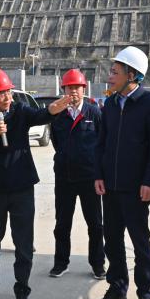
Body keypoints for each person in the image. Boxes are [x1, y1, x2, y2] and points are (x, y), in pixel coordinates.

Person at [0, 67, 70, 299]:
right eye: (2, 93)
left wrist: (52, 110)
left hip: (21, 187)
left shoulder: (20, 111)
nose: (8, 97)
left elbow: (40, 115)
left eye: (9, 92)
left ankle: (22, 289)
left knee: (23, 243)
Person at [93, 46, 150, 299]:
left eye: (115, 72)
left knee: (140, 242)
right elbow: (101, 143)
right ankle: (117, 289)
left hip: (136, 188)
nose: (109, 76)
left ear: (131, 75)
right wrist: (99, 175)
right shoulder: (110, 104)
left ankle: (145, 295)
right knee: (112, 241)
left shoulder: (149, 103)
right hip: (110, 187)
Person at [49, 69, 105, 279]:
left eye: (77, 87)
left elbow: (102, 144)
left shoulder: (94, 113)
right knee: (62, 223)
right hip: (64, 178)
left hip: (90, 178)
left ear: (84, 89)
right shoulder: (58, 114)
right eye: (69, 88)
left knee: (95, 224)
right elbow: (55, 142)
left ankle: (97, 264)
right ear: (63, 89)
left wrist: (99, 173)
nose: (73, 91)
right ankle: (60, 263)